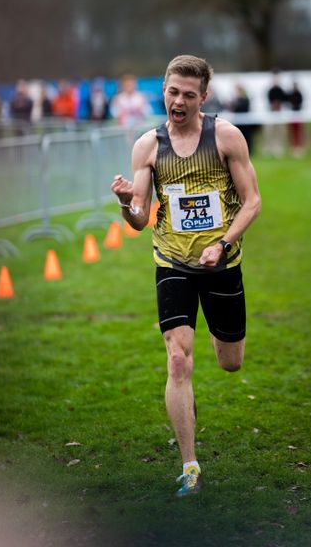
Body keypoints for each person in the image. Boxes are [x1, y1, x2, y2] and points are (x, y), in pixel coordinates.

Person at [111, 55, 261, 497]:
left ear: (204, 97)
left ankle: (219, 338)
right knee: (178, 358)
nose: (178, 101)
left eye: (188, 95)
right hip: (172, 262)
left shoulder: (227, 137)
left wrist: (223, 243)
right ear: (163, 89)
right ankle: (189, 465)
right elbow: (139, 219)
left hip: (221, 262)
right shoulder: (148, 147)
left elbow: (251, 201)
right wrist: (125, 204)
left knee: (230, 362)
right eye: (172, 92)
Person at [287, 81, 304, 156]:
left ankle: (299, 148)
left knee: (299, 132)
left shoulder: (299, 94)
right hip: (292, 115)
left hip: (298, 114)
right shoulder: (290, 94)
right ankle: (293, 148)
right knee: (292, 132)